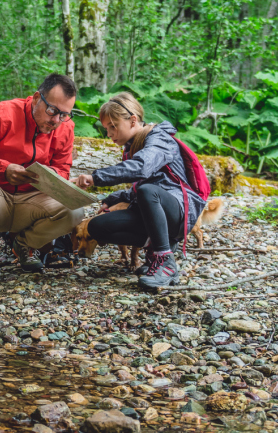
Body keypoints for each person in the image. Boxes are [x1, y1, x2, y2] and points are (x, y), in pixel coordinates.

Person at [0, 73, 85, 293]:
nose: (56, 120)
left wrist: (49, 175)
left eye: (64, 114)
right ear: (37, 98)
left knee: (75, 210)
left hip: (32, 202)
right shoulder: (4, 113)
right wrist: (3, 169)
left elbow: (63, 169)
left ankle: (25, 246)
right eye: (53, 111)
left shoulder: (65, 127)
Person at [73, 92, 206, 291]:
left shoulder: (160, 139)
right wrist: (114, 198)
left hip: (178, 213)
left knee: (148, 191)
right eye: (106, 128)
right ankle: (155, 253)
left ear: (133, 120)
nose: (109, 133)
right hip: (153, 211)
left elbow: (143, 169)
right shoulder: (132, 146)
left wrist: (95, 178)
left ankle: (165, 261)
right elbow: (139, 187)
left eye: (113, 126)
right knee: (97, 227)